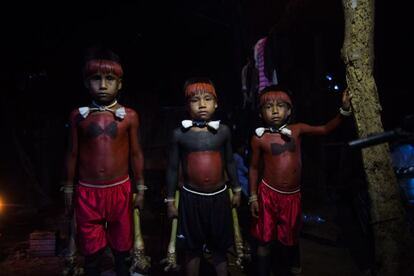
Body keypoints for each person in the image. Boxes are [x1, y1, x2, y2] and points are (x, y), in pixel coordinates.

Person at [249, 85, 351, 275]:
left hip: (292, 196)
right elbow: (254, 167)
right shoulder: (259, 138)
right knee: (264, 238)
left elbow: (325, 129)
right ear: (261, 113)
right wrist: (253, 196)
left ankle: (291, 269)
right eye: (269, 106)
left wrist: (344, 110)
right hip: (267, 195)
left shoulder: (298, 130)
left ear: (289, 111)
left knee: (289, 238)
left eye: (280, 106)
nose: (275, 110)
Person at [62, 48, 146, 276]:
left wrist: (140, 187)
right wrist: (69, 187)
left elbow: (136, 153)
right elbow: (72, 153)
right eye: (96, 79)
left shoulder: (129, 116)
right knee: (91, 254)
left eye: (109, 79)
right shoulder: (78, 116)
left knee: (122, 251)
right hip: (88, 192)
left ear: (119, 84)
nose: (102, 85)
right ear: (86, 83)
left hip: (120, 190)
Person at [165, 77, 242, 276]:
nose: (201, 105)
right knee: (192, 249)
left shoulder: (223, 132)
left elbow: (230, 162)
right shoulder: (179, 134)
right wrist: (170, 201)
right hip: (191, 198)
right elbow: (173, 168)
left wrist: (237, 189)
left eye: (207, 99)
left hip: (219, 197)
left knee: (219, 248)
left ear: (216, 103)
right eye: (195, 100)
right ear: (186, 105)